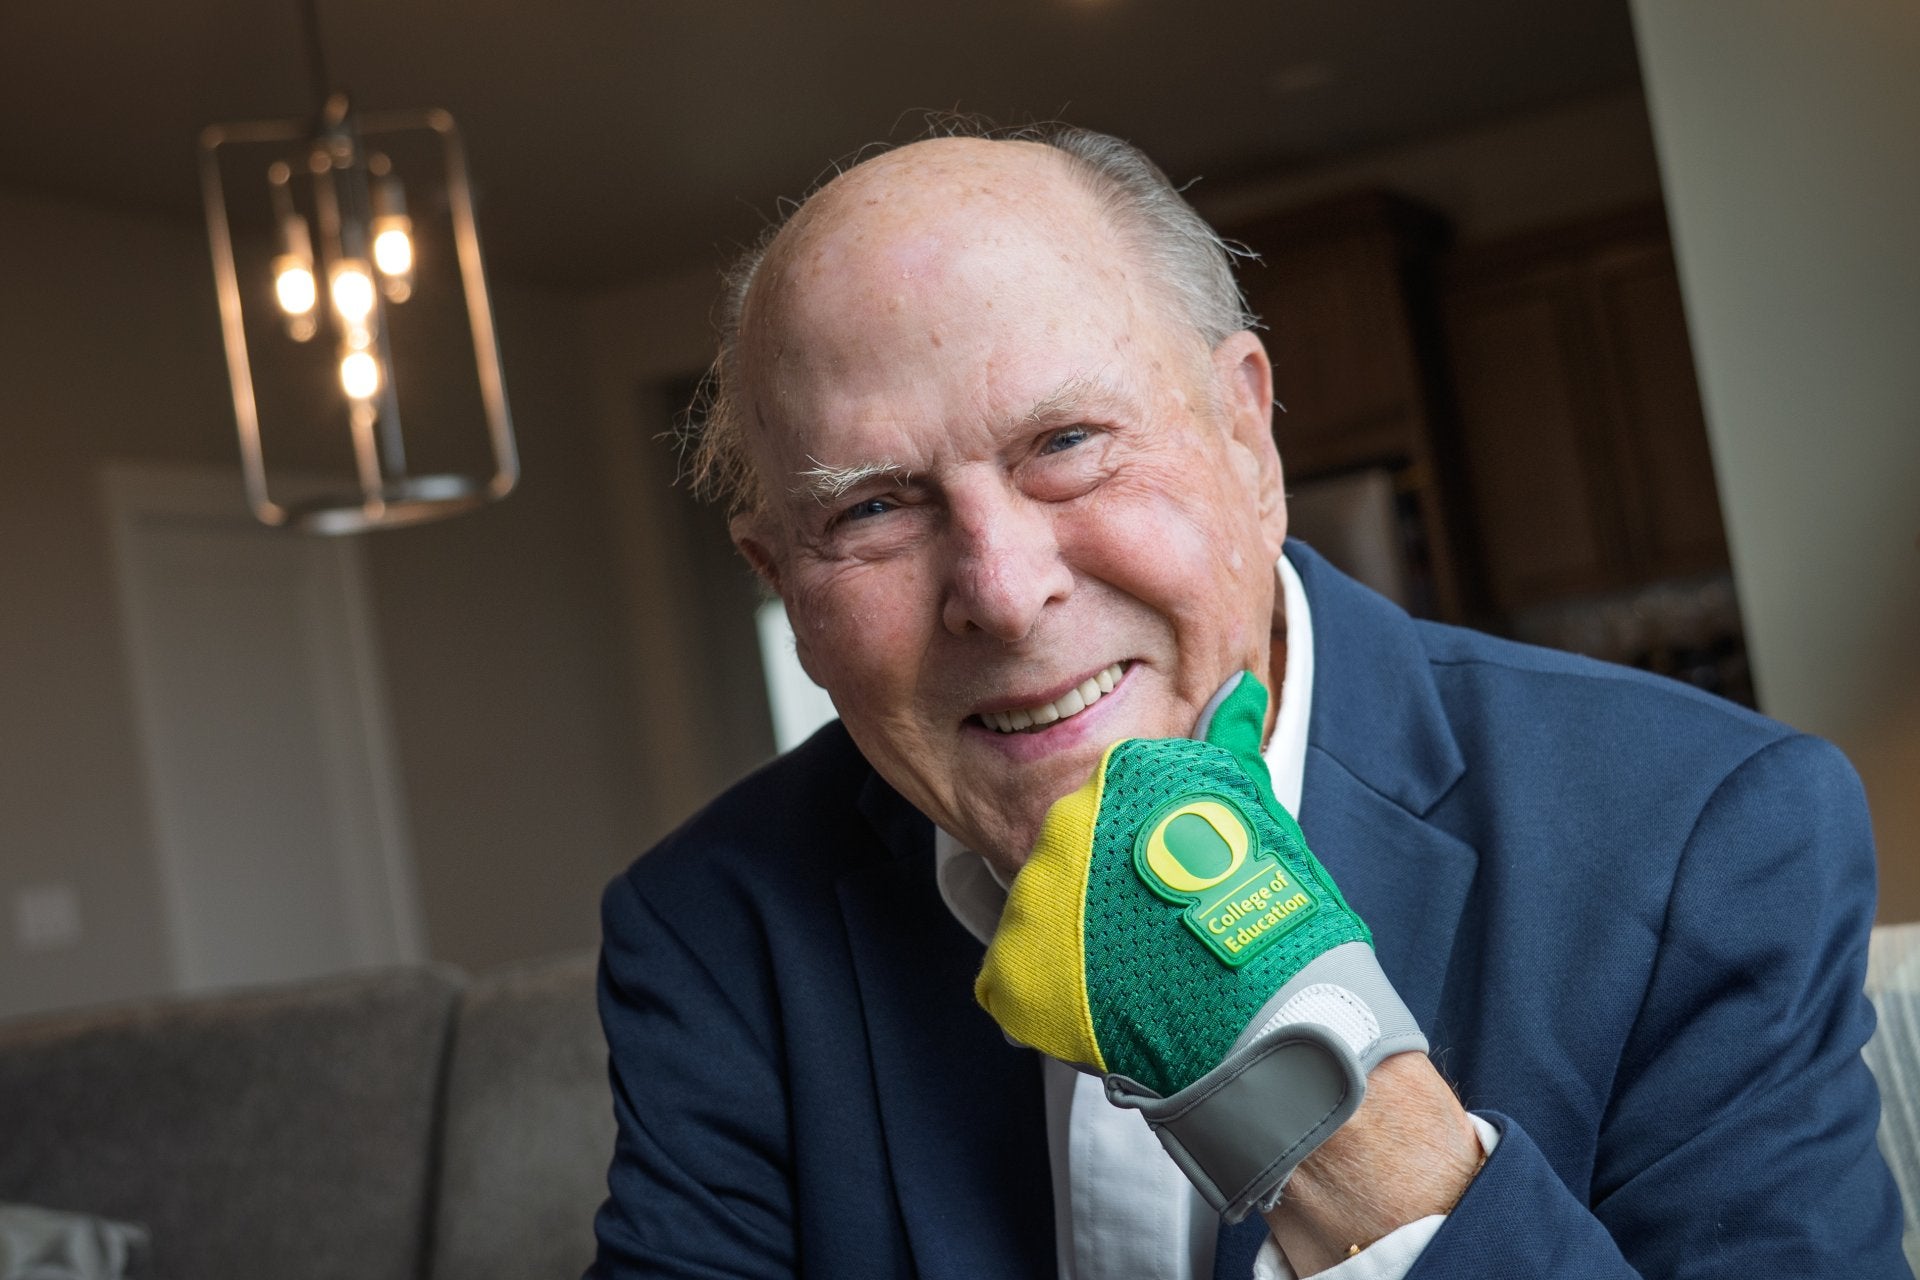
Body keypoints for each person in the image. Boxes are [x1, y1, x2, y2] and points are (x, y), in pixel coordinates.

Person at [587, 124, 1908, 1278]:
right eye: (873, 508)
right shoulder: (713, 925)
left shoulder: (1700, 832)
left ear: (1247, 436)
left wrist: (1310, 1080)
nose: (1000, 588)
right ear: (781, 583)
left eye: (1067, 444)